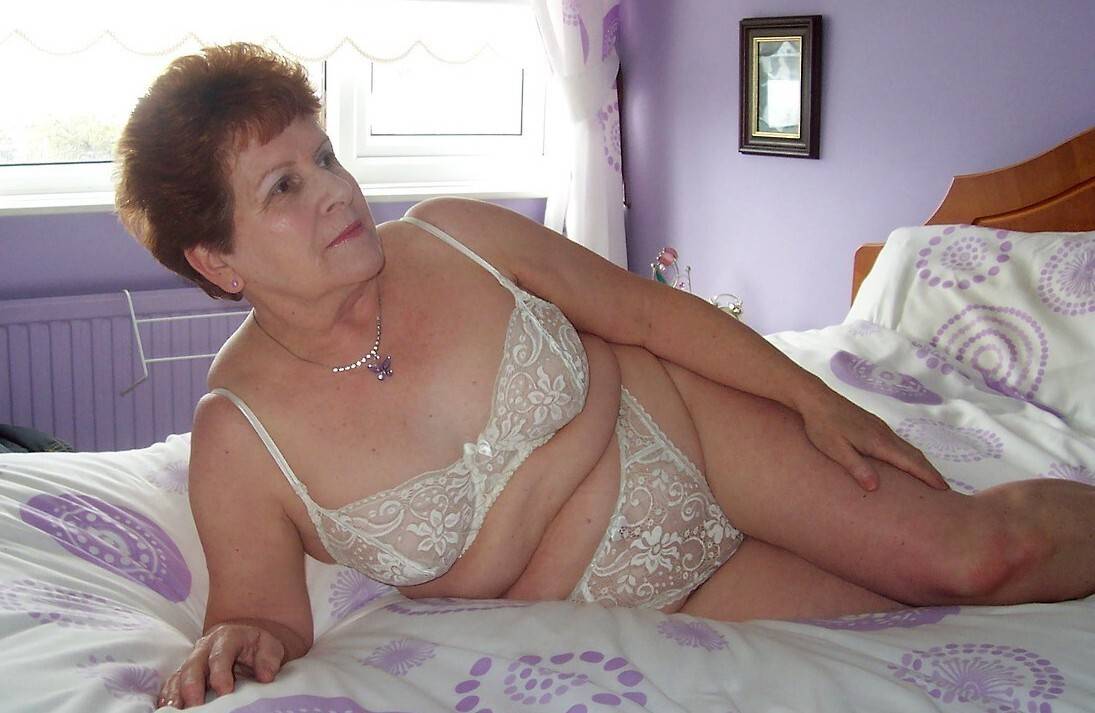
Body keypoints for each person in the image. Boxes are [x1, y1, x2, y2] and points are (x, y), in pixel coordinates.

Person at [114, 44, 1095, 710]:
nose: (336, 190)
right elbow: (263, 615)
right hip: (663, 599)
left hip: (704, 443)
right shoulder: (240, 434)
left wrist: (815, 399)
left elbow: (649, 315)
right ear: (217, 259)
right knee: (912, 637)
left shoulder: (457, 234)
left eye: (324, 155)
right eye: (285, 186)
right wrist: (240, 640)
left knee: (976, 561)